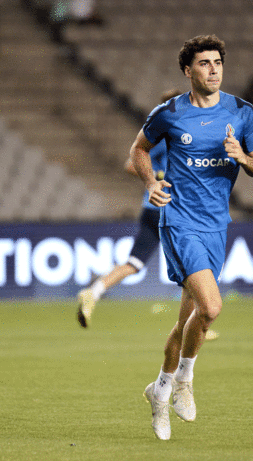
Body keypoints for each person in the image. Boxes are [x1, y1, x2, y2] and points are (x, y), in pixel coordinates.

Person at [131, 35, 253, 440]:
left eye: (218, 63)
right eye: (204, 63)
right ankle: (185, 380)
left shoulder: (241, 112)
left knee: (188, 323)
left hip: (216, 225)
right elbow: (139, 150)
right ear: (188, 71)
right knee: (211, 306)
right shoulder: (170, 113)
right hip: (179, 221)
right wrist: (151, 182)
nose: (213, 70)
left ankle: (160, 390)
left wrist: (242, 157)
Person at [76, 89, 181, 328]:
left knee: (134, 263)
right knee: (193, 262)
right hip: (167, 208)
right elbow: (130, 164)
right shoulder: (166, 137)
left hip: (151, 209)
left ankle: (94, 291)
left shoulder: (164, 133)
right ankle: (196, 323)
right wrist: (158, 176)